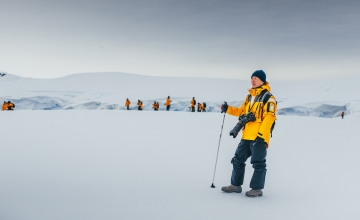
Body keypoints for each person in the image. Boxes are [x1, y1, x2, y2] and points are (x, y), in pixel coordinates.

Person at [220, 70, 277, 198]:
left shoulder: (268, 97)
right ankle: (235, 185)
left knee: (258, 163)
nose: (253, 80)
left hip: (259, 136)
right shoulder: (249, 97)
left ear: (263, 80)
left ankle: (256, 189)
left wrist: (261, 136)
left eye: (256, 78)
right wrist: (228, 108)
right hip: (246, 135)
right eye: (252, 78)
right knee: (237, 160)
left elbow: (270, 117)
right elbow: (241, 111)